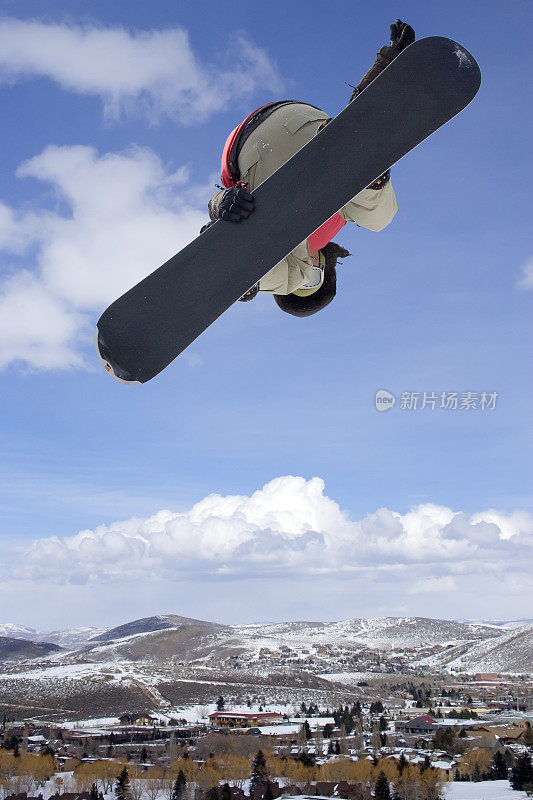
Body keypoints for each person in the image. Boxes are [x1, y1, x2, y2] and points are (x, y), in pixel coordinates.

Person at [202, 19, 415, 316]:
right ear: (328, 267)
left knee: (293, 257)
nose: (311, 268)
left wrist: (221, 207)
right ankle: (365, 169)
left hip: (253, 150)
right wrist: (391, 66)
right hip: (307, 127)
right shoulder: (332, 220)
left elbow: (221, 194)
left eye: (303, 282)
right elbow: (359, 118)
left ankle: (240, 269)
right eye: (316, 277)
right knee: (378, 218)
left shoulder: (288, 245)